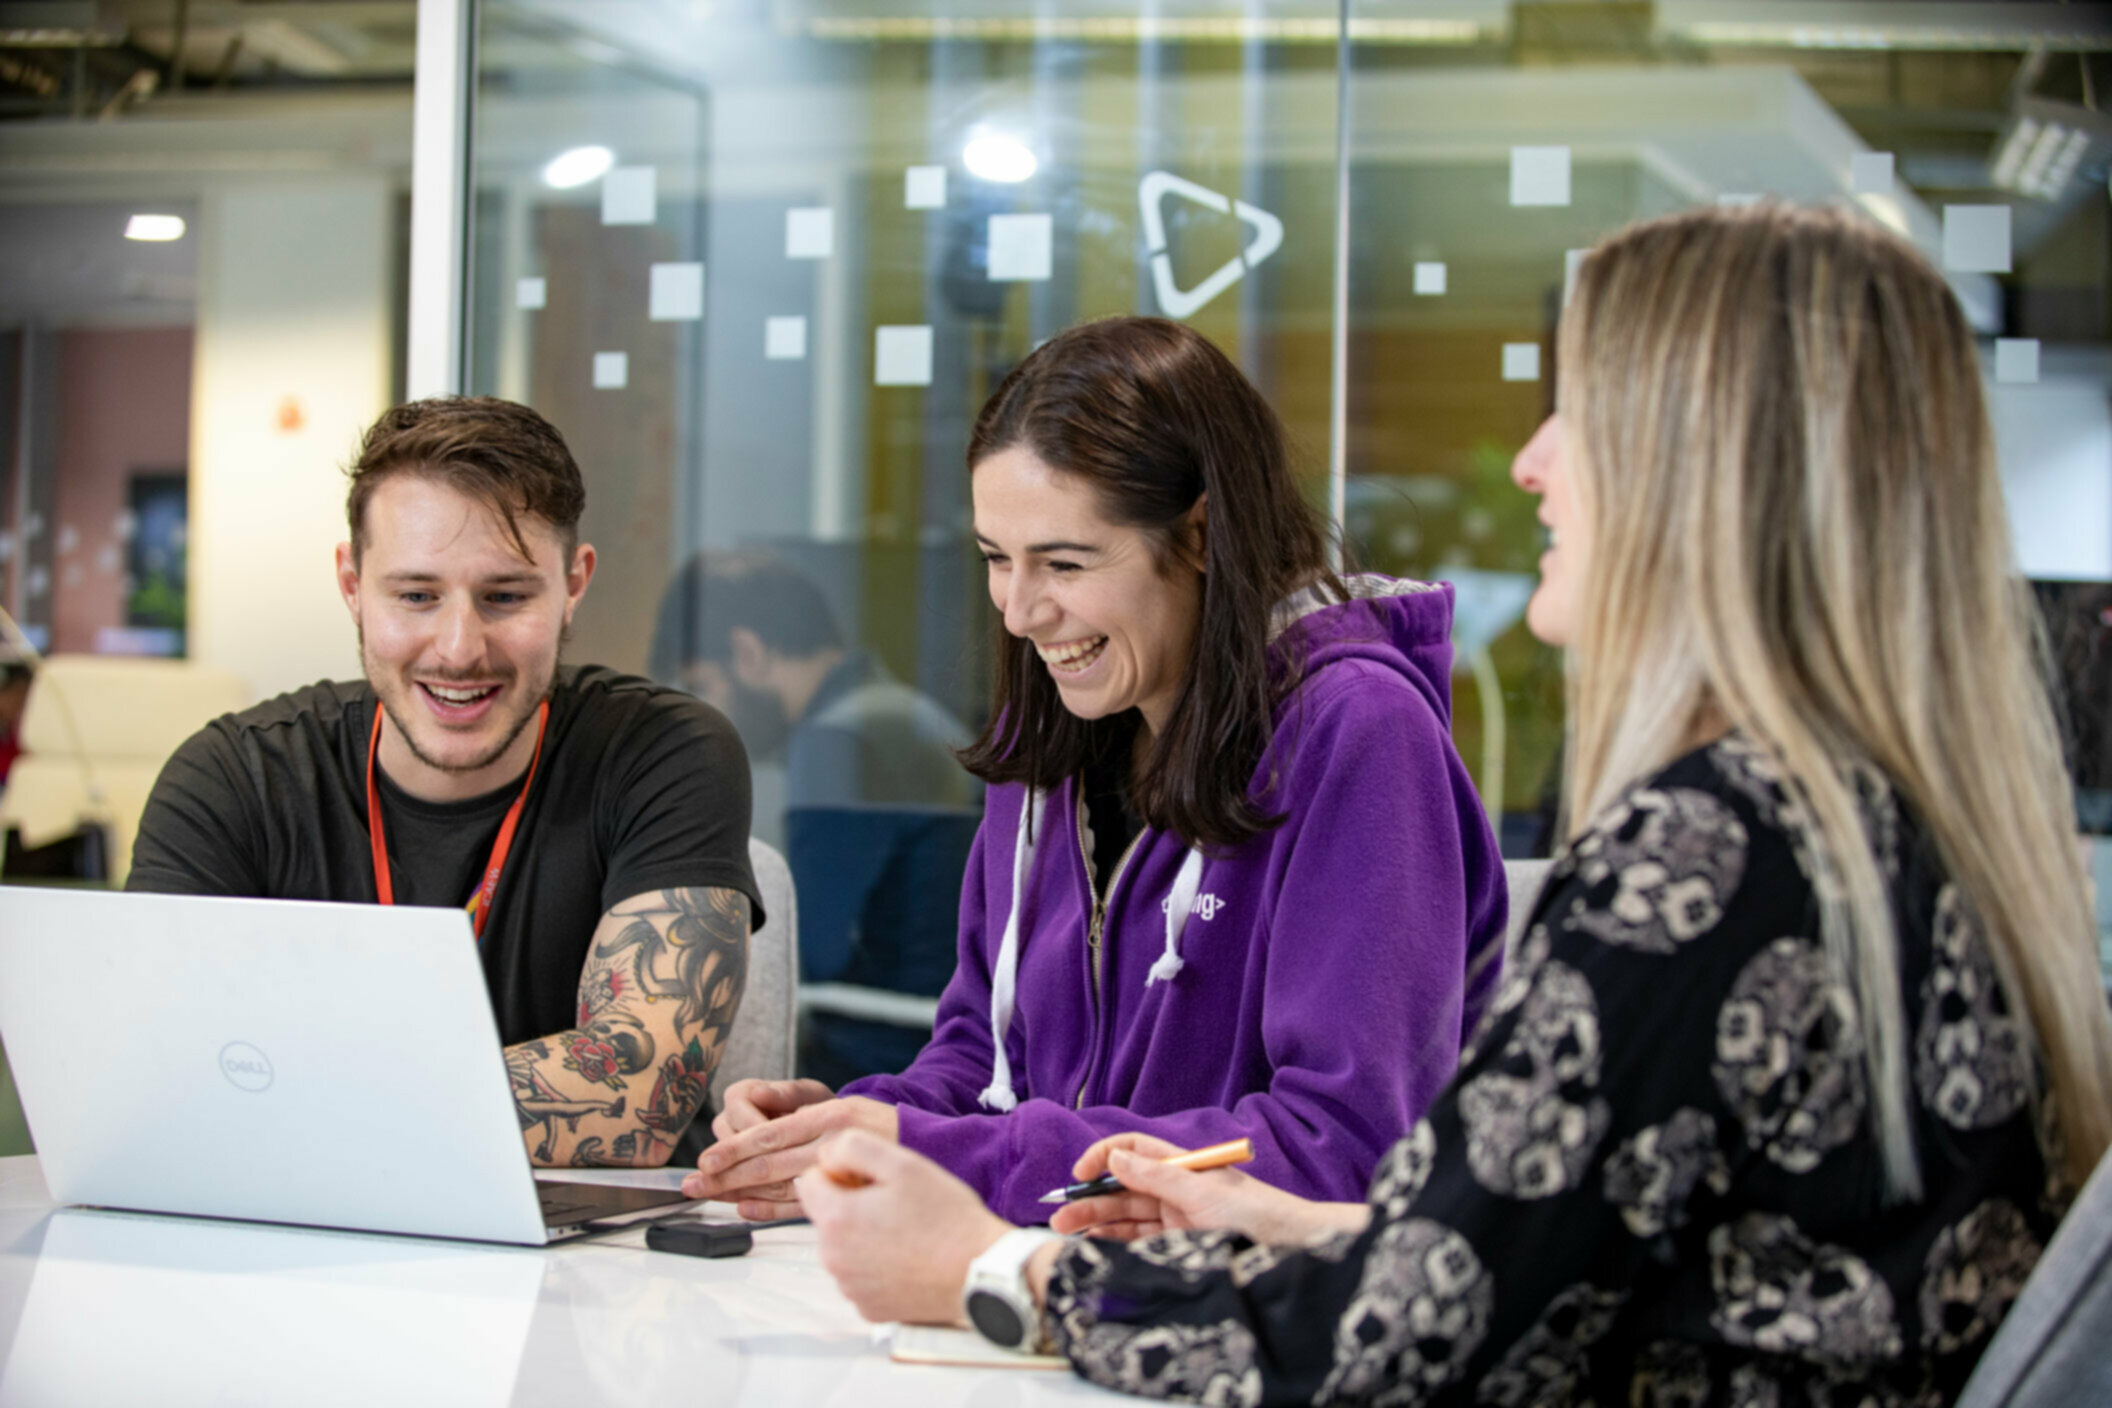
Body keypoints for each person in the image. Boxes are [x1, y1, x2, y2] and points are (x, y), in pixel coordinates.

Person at [793, 204, 2112, 1403]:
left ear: (1713, 476)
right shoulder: (1875, 838)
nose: (1529, 463)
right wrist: (1299, 1226)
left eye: (1578, 412)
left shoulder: (1714, 856)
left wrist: (997, 1271)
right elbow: (1532, 1252)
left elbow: (1403, 1336)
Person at [687, 315, 1507, 1225]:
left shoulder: (1359, 732)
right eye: (997, 559)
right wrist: (858, 1124)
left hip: (1243, 1326)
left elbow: (1340, 1152)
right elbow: (980, 1064)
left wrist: (937, 1154)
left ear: (1201, 535)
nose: (1021, 612)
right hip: (1049, 1278)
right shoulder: (1054, 740)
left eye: (1065, 562)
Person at [128, 396, 761, 1168]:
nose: (459, 650)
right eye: (417, 595)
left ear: (574, 584)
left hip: (604, 1263)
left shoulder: (663, 754)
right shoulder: (233, 781)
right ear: (352, 585)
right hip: (303, 1235)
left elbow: (638, 1098)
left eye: (505, 596)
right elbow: (154, 1076)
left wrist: (275, 1092)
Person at [649, 549, 981, 1085]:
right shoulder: (899, 710)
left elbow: (808, 949)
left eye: (705, 687)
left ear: (748, 653)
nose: (706, 719)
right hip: (941, 1041)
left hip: (887, 1055)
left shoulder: (836, 739)